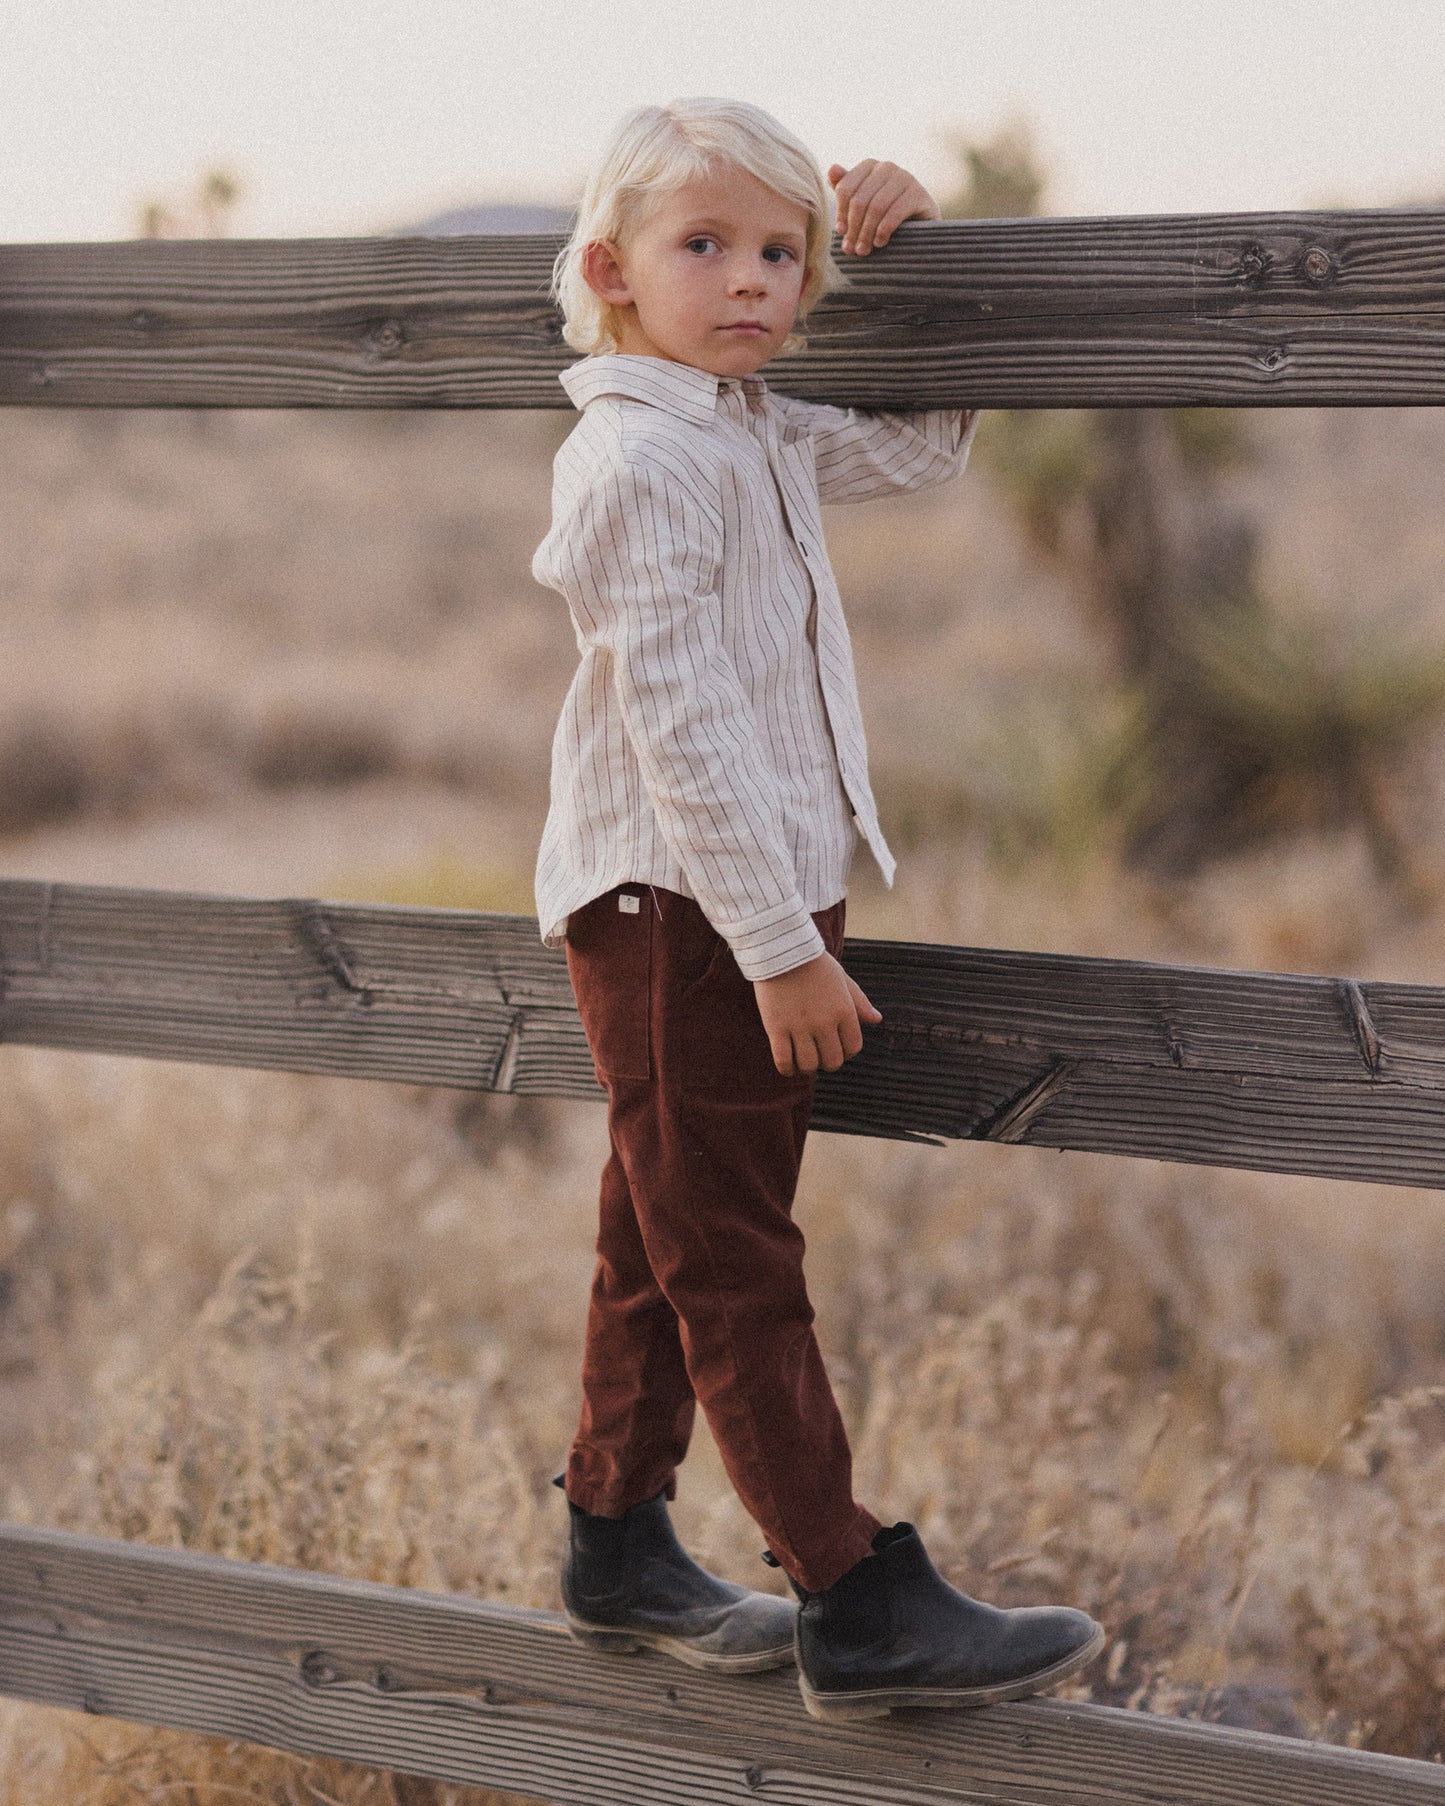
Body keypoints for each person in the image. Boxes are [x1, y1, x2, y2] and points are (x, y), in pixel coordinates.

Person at [530, 95, 1103, 1723]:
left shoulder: (748, 425)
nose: (751, 280)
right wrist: (776, 943)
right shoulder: (644, 453)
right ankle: (848, 1591)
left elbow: (918, 446)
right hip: (683, 907)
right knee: (729, 1248)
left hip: (736, 898)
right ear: (611, 270)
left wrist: (913, 241)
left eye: (781, 252)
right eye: (703, 245)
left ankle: (614, 1534)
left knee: (660, 1221)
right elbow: (679, 718)